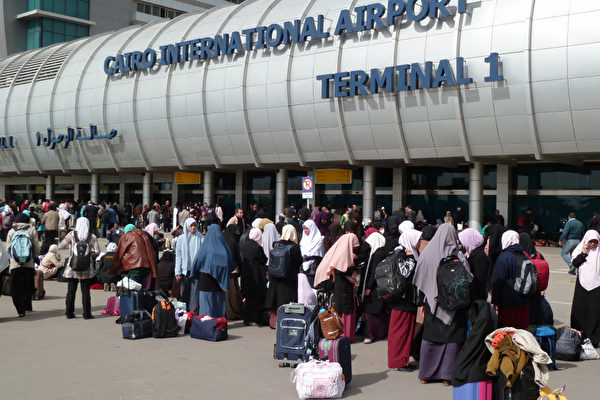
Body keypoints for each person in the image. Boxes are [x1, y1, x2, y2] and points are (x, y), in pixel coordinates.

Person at [413, 224, 472, 385]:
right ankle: (447, 376)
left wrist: (422, 302)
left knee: (430, 338)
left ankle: (425, 374)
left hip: (432, 303)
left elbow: (420, 280)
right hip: (454, 304)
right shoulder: (457, 255)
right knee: (451, 340)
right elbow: (468, 278)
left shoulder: (427, 254)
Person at [314, 231, 361, 342]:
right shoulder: (343, 255)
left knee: (343, 307)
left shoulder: (342, 252)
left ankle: (344, 334)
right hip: (343, 286)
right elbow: (342, 270)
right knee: (345, 309)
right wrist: (353, 264)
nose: (354, 248)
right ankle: (345, 334)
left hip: (342, 286)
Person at [388, 228, 422, 370]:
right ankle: (398, 362)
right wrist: (411, 258)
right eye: (418, 239)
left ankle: (403, 360)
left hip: (407, 301)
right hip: (401, 301)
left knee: (406, 332)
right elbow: (405, 273)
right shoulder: (402, 254)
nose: (420, 242)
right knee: (399, 333)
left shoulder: (410, 253)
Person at [58, 218, 99, 319]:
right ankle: (87, 314)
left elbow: (61, 246)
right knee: (85, 292)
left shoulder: (72, 234)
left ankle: (69, 312)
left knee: (71, 291)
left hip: (73, 267)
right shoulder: (92, 236)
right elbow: (97, 251)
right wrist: (89, 255)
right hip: (87, 268)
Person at [191, 224, 233, 318]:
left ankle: (207, 326)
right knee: (219, 309)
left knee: (206, 311)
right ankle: (219, 325)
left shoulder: (205, 247)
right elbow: (231, 264)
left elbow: (196, 262)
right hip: (220, 284)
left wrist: (195, 274)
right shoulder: (225, 247)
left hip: (205, 282)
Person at [491, 230, 531, 329]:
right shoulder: (524, 255)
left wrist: (495, 301)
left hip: (508, 302)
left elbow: (499, 281)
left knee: (508, 331)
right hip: (523, 301)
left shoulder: (504, 257)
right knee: (521, 331)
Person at [265, 225, 303, 328]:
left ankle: (274, 323)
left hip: (275, 277)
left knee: (276, 300)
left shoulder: (276, 244)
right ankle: (285, 323)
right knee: (287, 302)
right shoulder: (294, 247)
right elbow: (299, 261)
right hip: (288, 279)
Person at [6, 213, 41, 317]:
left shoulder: (11, 231)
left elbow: (8, 248)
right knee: (27, 285)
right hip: (28, 263)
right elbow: (37, 247)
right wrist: (34, 256)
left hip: (15, 264)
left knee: (16, 287)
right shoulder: (32, 230)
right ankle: (27, 306)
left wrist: (14, 258)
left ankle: (20, 310)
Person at [570, 230, 600, 347]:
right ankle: (578, 336)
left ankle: (594, 339)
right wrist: (584, 253)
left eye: (595, 242)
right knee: (580, 310)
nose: (593, 244)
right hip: (582, 285)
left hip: (597, 285)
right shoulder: (580, 250)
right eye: (591, 241)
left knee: (595, 312)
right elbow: (575, 263)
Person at [359, 231, 388, 344]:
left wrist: (368, 287)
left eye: (371, 243)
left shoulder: (377, 255)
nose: (370, 246)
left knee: (370, 311)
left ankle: (370, 335)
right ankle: (380, 333)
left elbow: (374, 272)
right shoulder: (383, 252)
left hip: (375, 288)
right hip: (381, 287)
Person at [110, 225, 158, 290]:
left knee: (134, 288)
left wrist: (114, 268)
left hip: (134, 266)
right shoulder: (143, 235)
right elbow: (151, 251)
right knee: (143, 290)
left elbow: (119, 253)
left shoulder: (126, 236)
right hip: (146, 266)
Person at [240, 227, 268, 326]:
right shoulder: (257, 247)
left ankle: (246, 318)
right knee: (255, 297)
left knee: (248, 296)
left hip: (245, 272)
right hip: (256, 274)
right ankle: (254, 318)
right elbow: (264, 260)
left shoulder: (244, 245)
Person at [174, 218, 203, 307]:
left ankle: (193, 311)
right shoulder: (181, 239)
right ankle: (184, 311)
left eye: (195, 225)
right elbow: (178, 256)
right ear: (187, 226)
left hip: (196, 270)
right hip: (185, 270)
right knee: (184, 292)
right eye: (191, 226)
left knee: (195, 293)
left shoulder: (200, 237)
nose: (193, 227)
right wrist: (177, 271)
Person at [458, 228, 491, 302]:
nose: (462, 245)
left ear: (469, 240)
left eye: (464, 241)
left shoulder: (480, 257)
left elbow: (480, 283)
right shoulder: (472, 254)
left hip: (478, 299)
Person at [223, 223, 244, 320]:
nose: (238, 233)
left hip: (224, 271)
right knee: (233, 293)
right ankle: (233, 313)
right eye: (237, 231)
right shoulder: (233, 241)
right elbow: (237, 257)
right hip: (232, 270)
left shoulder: (223, 239)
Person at [299, 219, 325, 287]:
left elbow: (315, 252)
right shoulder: (304, 239)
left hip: (313, 265)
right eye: (304, 228)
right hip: (303, 266)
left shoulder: (318, 239)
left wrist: (304, 258)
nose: (305, 230)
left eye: (307, 228)